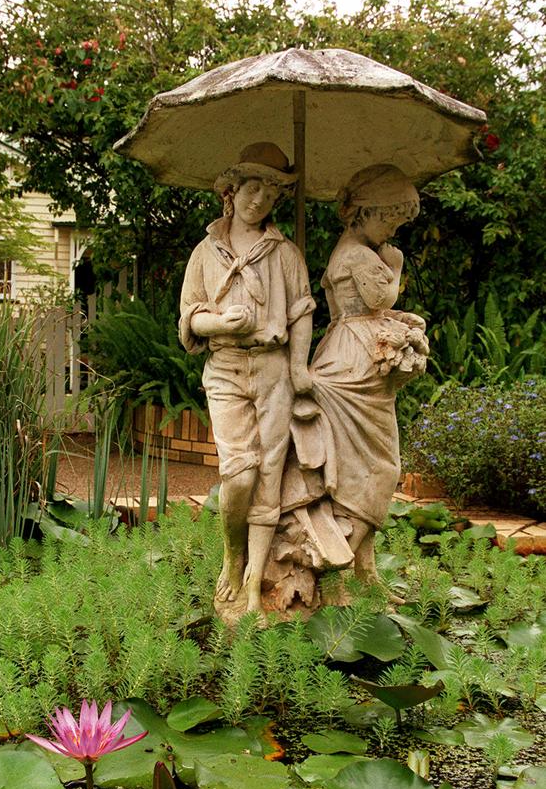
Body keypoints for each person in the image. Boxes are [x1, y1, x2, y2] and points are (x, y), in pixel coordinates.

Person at [271, 164, 429, 602]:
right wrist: (394, 265)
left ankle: (363, 567)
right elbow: (379, 299)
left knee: (374, 467)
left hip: (359, 355)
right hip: (353, 365)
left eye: (398, 220)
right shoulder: (360, 255)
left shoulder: (363, 249)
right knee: (378, 468)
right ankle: (343, 570)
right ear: (364, 212)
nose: (393, 227)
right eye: (389, 217)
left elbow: (375, 308)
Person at [179, 142, 315, 617]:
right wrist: (220, 324)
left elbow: (301, 312)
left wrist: (299, 366)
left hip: (274, 368)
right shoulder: (205, 252)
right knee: (240, 473)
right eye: (252, 188)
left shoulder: (285, 253)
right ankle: (231, 556)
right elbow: (190, 317)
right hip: (226, 367)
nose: (260, 200)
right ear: (231, 192)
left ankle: (254, 585)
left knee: (270, 477)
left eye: (271, 194)